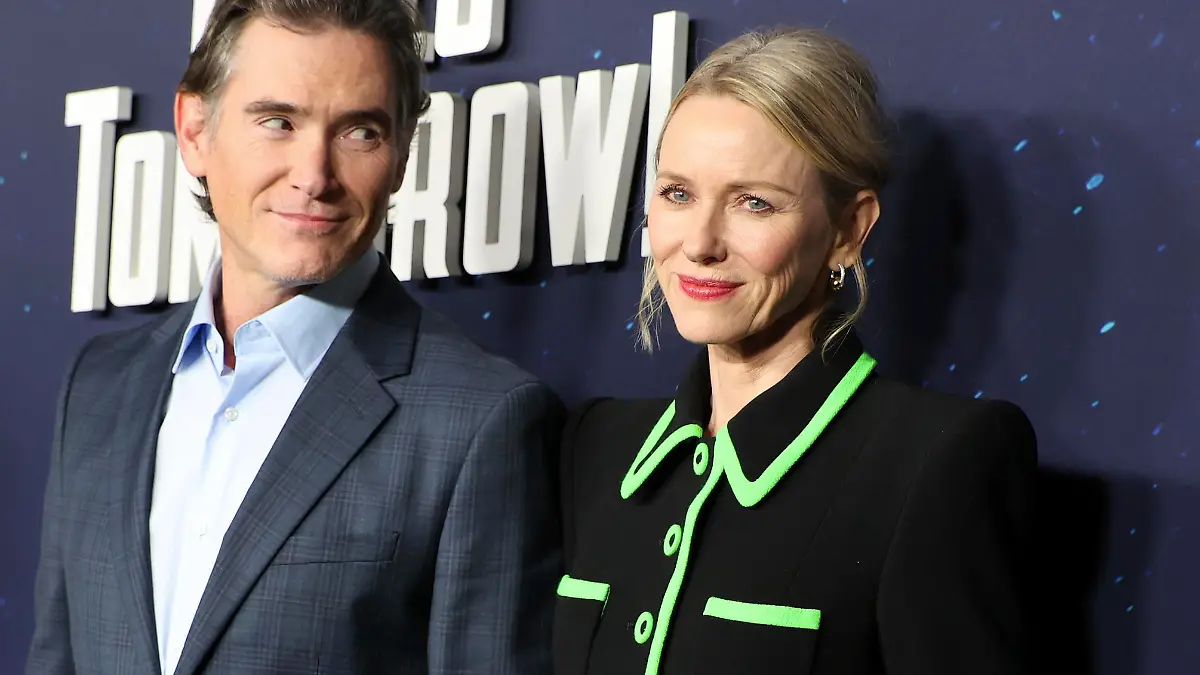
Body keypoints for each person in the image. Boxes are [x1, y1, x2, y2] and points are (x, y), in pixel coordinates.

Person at [26, 1, 563, 674]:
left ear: (399, 157)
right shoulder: (99, 385)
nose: (314, 174)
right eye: (278, 122)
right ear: (194, 130)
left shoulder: (482, 421)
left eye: (360, 132)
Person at [552, 27, 1037, 675]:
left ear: (848, 229)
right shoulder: (599, 444)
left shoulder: (937, 461)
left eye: (753, 203)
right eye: (678, 193)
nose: (700, 242)